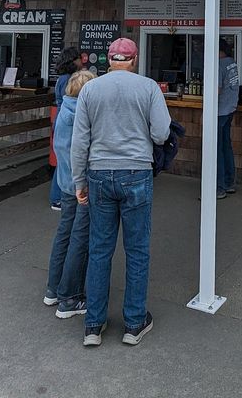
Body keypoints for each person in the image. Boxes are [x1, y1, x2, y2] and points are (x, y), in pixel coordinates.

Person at [71, 37, 171, 348]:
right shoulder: (148, 87)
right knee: (137, 250)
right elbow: (161, 133)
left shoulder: (90, 88)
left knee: (99, 250)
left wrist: (78, 182)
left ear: (109, 60)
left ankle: (93, 325)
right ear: (134, 59)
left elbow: (79, 142)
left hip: (99, 174)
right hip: (136, 173)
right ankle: (133, 323)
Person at [43, 69, 96, 316]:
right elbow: (83, 151)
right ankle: (70, 297)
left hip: (64, 182)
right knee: (79, 238)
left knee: (64, 235)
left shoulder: (65, 109)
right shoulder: (81, 115)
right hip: (80, 185)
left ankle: (53, 289)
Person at [49, 47, 82, 210]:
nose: (81, 61)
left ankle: (60, 195)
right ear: (72, 61)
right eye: (78, 58)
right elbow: (69, 103)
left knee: (64, 161)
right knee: (64, 162)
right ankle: (57, 198)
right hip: (66, 122)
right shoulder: (67, 79)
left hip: (61, 121)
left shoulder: (63, 78)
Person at [216, 39, 240, 200]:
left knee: (215, 150)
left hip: (218, 111)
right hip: (230, 108)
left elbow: (215, 90)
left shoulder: (218, 64)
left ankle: (219, 187)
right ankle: (229, 182)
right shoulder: (231, 63)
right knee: (226, 146)